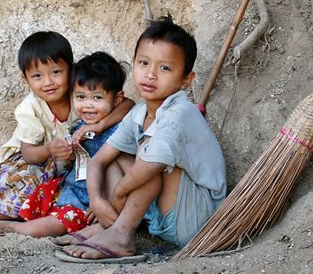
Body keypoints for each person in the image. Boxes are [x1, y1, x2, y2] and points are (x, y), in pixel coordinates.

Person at [0, 32, 133, 235]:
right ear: (25, 78)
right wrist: (50, 148)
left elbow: (128, 104)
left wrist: (99, 126)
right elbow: (29, 154)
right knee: (16, 201)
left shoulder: (81, 94)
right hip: (33, 163)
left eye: (56, 72)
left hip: (67, 166)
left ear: (70, 70)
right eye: (37, 76)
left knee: (47, 202)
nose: (48, 82)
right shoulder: (30, 107)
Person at [61, 15, 227, 260]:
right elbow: (99, 160)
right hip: (163, 215)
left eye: (165, 68)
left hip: (195, 219)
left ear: (186, 80)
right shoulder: (139, 111)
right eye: (144, 63)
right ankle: (111, 225)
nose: (150, 75)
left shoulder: (179, 112)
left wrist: (117, 195)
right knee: (118, 154)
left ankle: (120, 234)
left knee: (148, 154)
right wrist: (97, 201)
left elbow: (150, 166)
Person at [0, 52, 128, 238]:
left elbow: (118, 170)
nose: (88, 105)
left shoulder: (121, 129)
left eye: (97, 98)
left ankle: (15, 229)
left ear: (117, 99)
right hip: (72, 190)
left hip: (95, 201)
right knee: (36, 200)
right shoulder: (80, 126)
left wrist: (106, 203)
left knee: (62, 220)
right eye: (80, 97)